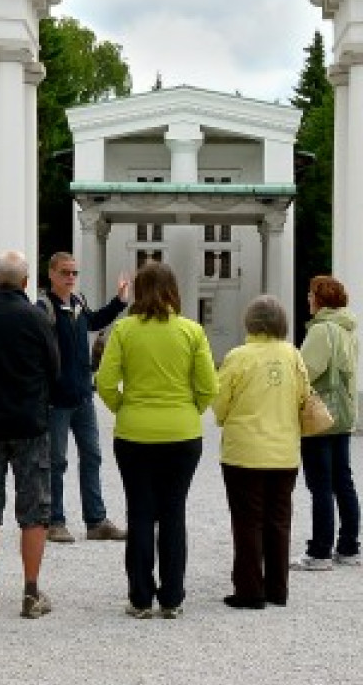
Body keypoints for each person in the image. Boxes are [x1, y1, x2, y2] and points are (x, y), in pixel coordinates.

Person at [94, 261, 217, 619]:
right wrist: (190, 410)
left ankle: (140, 597)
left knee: (140, 513)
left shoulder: (124, 330)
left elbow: (104, 382)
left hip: (135, 433)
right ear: (173, 291)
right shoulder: (192, 331)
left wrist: (123, 407)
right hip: (181, 433)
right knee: (174, 513)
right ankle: (172, 597)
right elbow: (209, 386)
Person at [0, 251, 60, 619]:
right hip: (29, 423)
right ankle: (31, 592)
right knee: (34, 512)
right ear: (25, 282)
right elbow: (54, 367)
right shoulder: (37, 318)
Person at [212, 295, 310, 610]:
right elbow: (304, 396)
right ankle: (277, 588)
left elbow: (220, 401)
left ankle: (249, 590)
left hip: (245, 451)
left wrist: (224, 419)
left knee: (247, 521)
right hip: (284, 451)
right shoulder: (293, 354)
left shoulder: (238, 356)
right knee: (279, 520)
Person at [39, 252, 130, 544]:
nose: (71, 277)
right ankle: (54, 521)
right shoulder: (44, 308)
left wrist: (119, 302)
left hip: (83, 397)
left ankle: (96, 521)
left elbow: (94, 322)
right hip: (56, 400)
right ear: (51, 274)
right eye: (65, 272)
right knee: (56, 462)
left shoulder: (78, 302)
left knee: (92, 457)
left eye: (74, 273)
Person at [292, 275, 361, 571]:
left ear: (320, 299)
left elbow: (305, 371)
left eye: (311, 295)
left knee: (320, 484)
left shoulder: (322, 330)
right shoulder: (348, 328)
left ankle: (320, 551)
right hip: (344, 413)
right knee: (343, 482)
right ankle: (349, 546)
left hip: (321, 415)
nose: (308, 299)